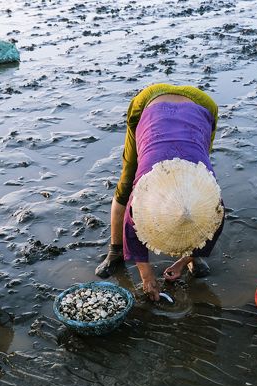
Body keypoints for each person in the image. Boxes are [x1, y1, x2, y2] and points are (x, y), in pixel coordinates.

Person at [94, 84, 224, 301]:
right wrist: (146, 276)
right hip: (149, 103)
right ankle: (115, 252)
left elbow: (214, 226)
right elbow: (131, 226)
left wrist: (181, 262)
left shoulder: (212, 197)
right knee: (126, 183)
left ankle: (192, 256)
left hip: (202, 105)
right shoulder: (143, 191)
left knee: (198, 168)